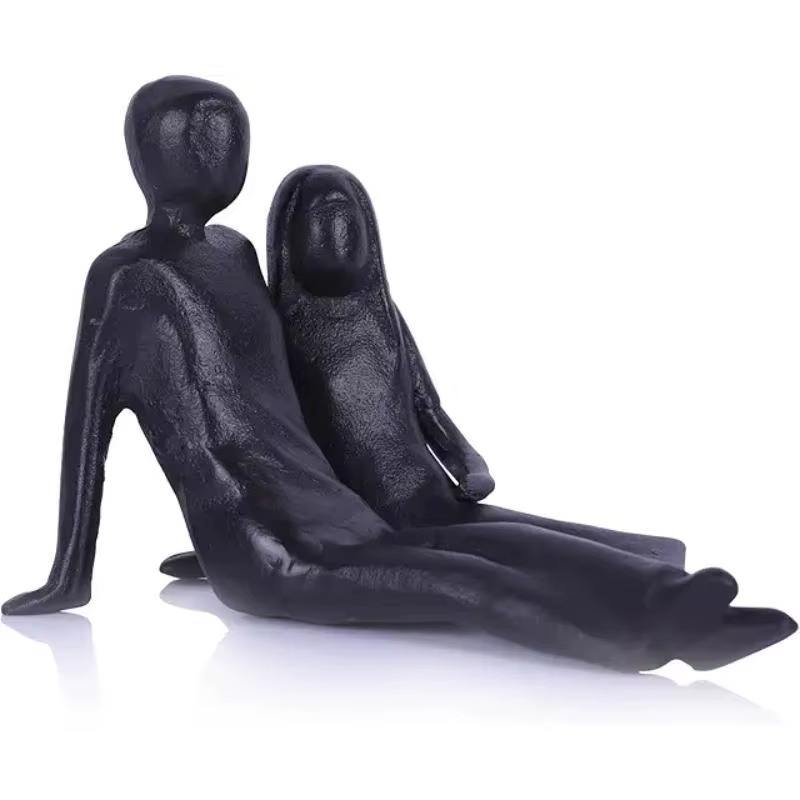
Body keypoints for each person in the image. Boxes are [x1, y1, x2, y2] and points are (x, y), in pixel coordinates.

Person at [4, 79, 794, 674]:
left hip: (338, 509)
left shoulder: (236, 255)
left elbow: (266, 402)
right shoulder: (127, 276)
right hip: (271, 550)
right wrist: (70, 575)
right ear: (151, 157)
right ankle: (664, 635)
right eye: (202, 141)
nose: (224, 157)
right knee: (465, 585)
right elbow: (90, 426)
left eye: (234, 138)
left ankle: (669, 595)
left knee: (496, 543)